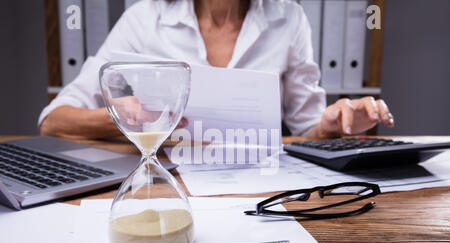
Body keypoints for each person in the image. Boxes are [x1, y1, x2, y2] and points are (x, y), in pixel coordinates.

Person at [39, 0, 394, 139]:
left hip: (259, 187)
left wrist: (333, 125)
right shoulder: (144, 18)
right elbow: (52, 121)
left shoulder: (290, 18)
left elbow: (307, 131)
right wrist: (122, 118)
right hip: (168, 181)